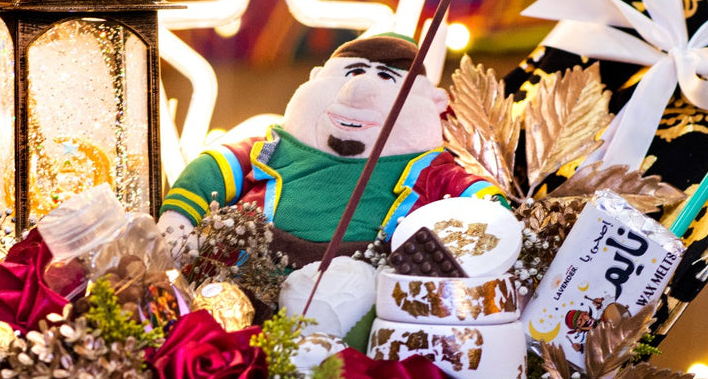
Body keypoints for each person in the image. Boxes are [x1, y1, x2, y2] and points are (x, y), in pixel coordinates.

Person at [159, 34, 505, 267]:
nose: (359, 89)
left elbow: (482, 201)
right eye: (353, 71)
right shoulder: (274, 147)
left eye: (387, 77)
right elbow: (213, 168)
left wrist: (504, 235)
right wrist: (178, 222)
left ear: (435, 103)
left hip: (365, 283)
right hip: (250, 272)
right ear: (313, 79)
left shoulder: (427, 168)